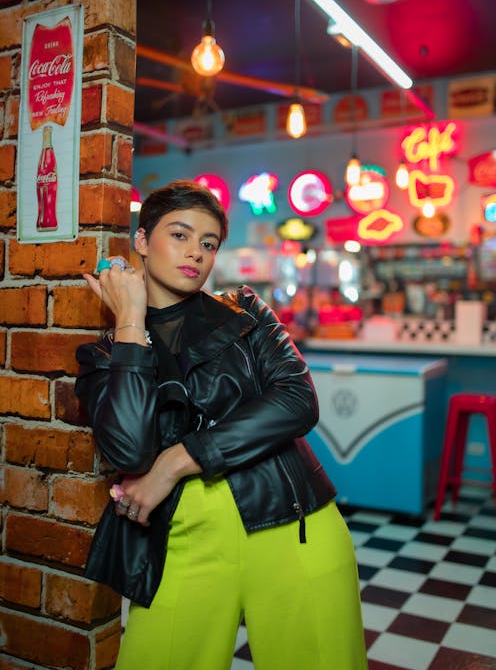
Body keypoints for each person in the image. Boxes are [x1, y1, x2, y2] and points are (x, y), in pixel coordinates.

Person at [75, 180, 367, 670]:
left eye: (208, 243)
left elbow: (297, 400)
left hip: (292, 524)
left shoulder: (246, 311)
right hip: (180, 541)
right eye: (181, 235)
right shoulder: (106, 352)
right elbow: (125, 451)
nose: (196, 253)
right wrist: (130, 320)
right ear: (142, 241)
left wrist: (174, 461)